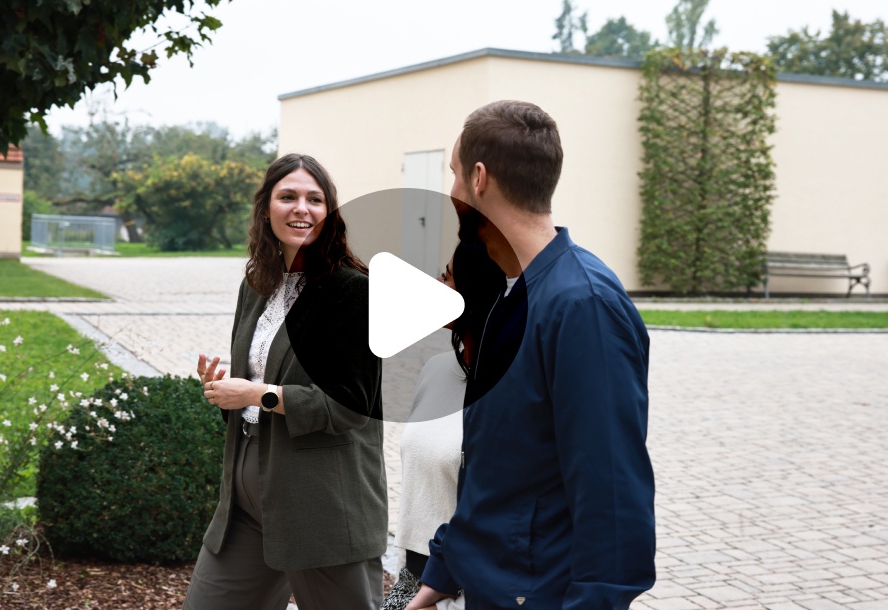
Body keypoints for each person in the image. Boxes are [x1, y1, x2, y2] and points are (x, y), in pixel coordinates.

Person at [407, 101, 656, 610]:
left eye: (453, 176)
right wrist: (435, 578)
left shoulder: (583, 305)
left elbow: (610, 493)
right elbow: (497, 468)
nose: (449, 192)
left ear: (480, 179)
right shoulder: (510, 298)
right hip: (485, 589)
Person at [183, 153, 387, 610]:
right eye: (288, 196)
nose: (302, 208)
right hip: (244, 496)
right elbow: (257, 382)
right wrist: (224, 390)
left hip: (321, 500)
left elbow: (352, 407)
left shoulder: (354, 291)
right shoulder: (256, 286)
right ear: (265, 209)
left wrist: (256, 393)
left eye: (315, 199)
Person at [382, 239, 506, 610]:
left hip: (466, 585)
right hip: (413, 576)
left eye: (448, 277)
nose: (436, 284)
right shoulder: (436, 369)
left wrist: (438, 591)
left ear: (478, 292)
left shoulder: (508, 387)